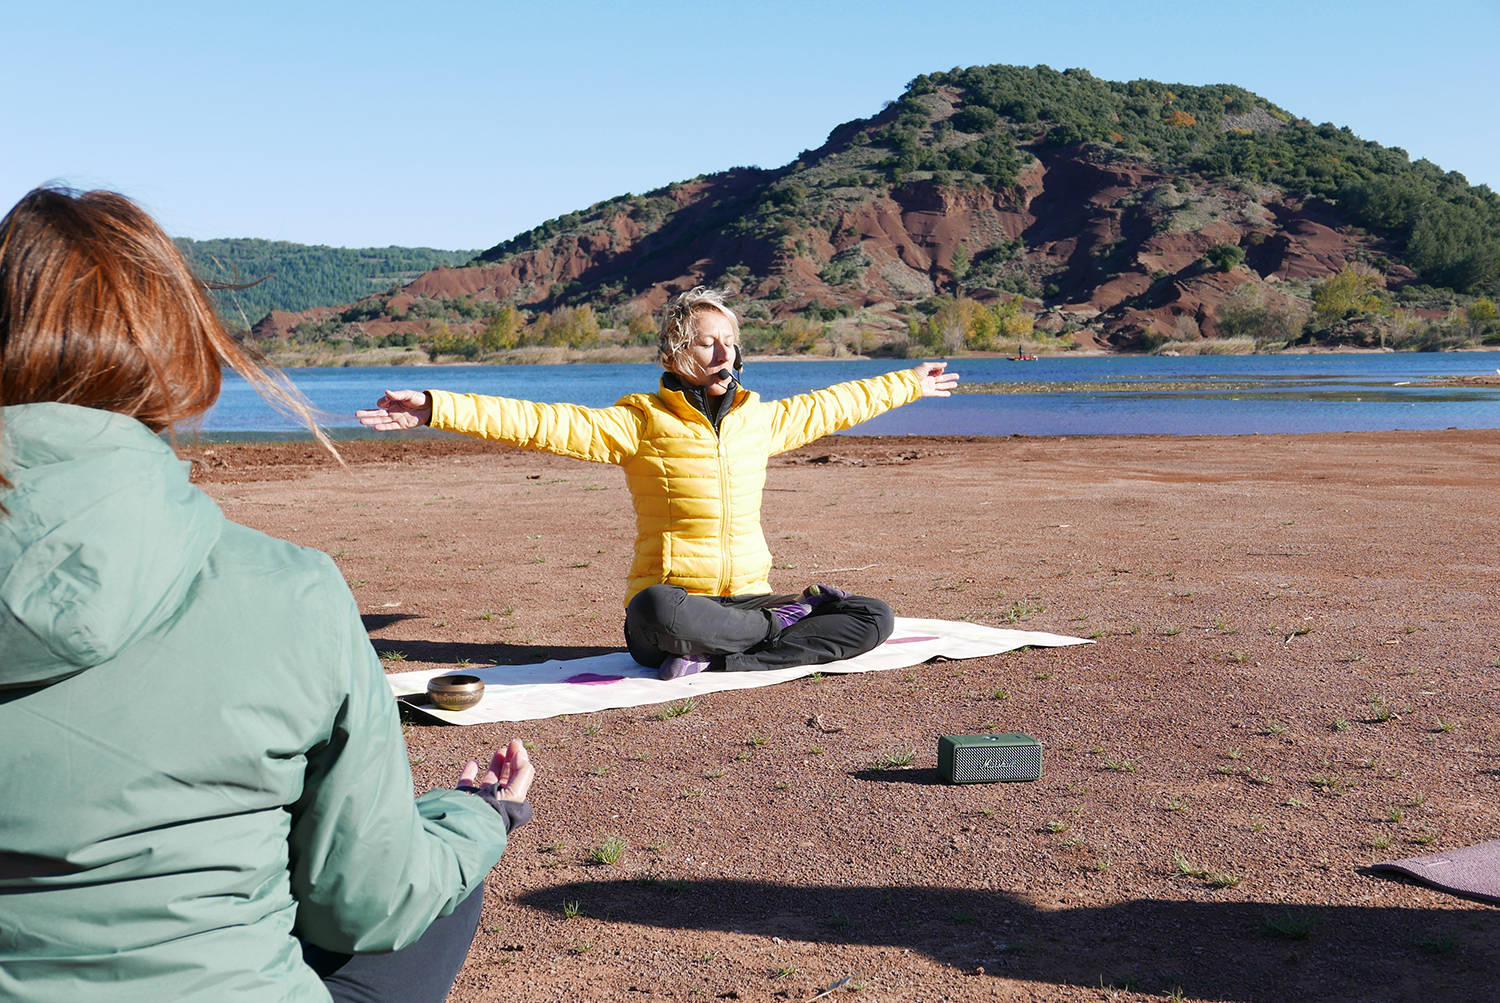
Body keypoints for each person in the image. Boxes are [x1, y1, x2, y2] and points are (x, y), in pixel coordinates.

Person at [0, 186, 533, 1003]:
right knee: (435, 890)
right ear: (176, 357)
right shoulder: (293, 593)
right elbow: (367, 902)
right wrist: (477, 817)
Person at [357, 286, 959, 679]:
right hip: (674, 604)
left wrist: (906, 382)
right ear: (676, 350)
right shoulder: (640, 422)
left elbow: (834, 404)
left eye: (731, 341)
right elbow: (540, 421)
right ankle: (754, 642)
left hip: (749, 598)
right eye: (708, 342)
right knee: (653, 610)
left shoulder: (759, 419)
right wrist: (435, 405)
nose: (725, 353)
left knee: (872, 616)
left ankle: (728, 654)